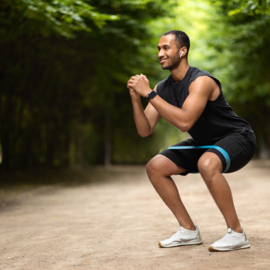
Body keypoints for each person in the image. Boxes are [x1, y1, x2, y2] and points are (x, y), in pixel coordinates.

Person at [127, 30, 256, 252]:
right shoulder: (162, 88)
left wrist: (148, 93)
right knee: (155, 167)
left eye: (166, 48)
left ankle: (237, 234)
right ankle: (188, 230)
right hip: (206, 143)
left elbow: (185, 122)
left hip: (238, 137)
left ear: (183, 50)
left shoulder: (201, 81)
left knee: (207, 162)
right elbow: (144, 130)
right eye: (158, 49)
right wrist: (136, 99)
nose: (160, 53)